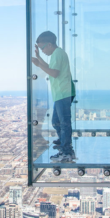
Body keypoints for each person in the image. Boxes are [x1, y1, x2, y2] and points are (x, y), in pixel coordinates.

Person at [32, 31, 75, 162]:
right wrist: (38, 58)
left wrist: (39, 64)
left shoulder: (57, 54)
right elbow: (50, 68)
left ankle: (66, 151)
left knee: (64, 123)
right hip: (61, 93)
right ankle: (63, 141)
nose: (43, 51)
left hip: (63, 93)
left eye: (42, 48)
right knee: (56, 121)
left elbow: (54, 73)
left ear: (49, 44)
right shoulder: (57, 54)